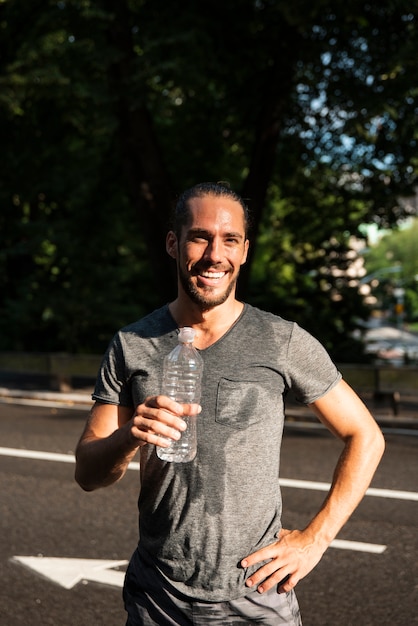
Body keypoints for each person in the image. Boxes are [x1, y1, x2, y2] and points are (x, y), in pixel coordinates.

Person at [75, 181, 385, 625]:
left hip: (257, 596)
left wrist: (316, 538)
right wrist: (129, 435)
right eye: (199, 237)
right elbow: (87, 473)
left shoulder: (283, 340)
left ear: (243, 251)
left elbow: (366, 436)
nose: (213, 254)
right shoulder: (131, 344)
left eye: (230, 240)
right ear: (173, 243)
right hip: (158, 596)